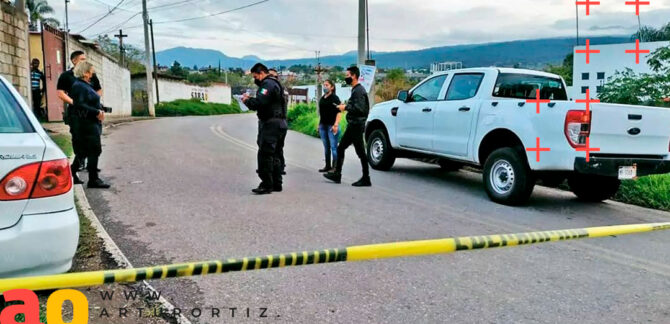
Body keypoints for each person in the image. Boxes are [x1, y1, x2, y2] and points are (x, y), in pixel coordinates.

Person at [242, 63, 288, 194]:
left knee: (265, 154)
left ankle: (266, 184)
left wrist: (246, 100)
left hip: (271, 124)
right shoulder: (277, 83)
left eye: (255, 76)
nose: (255, 79)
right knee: (276, 154)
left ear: (261, 73)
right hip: (281, 123)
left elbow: (259, 103)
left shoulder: (267, 84)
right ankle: (277, 183)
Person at [57, 51, 103, 177]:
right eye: (82, 59)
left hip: (91, 114)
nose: (85, 61)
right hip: (78, 115)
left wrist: (94, 104)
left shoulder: (91, 76)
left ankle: (90, 167)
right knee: (81, 144)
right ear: (74, 60)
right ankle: (79, 168)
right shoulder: (67, 77)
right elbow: (61, 93)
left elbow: (98, 91)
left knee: (92, 144)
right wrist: (76, 103)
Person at [324, 66, 371, 187]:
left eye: (347, 75)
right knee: (341, 148)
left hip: (356, 125)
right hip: (353, 124)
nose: (346, 78)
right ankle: (337, 174)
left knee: (360, 152)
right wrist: (345, 106)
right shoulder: (355, 90)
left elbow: (360, 109)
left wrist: (345, 107)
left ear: (354, 76)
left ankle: (366, 178)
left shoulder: (359, 91)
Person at [69, 61, 110, 189]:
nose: (92, 73)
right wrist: (97, 111)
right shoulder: (79, 86)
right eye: (91, 71)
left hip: (89, 122)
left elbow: (89, 102)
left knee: (83, 152)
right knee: (93, 150)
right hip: (85, 124)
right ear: (85, 72)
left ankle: (70, 173)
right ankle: (93, 180)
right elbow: (79, 105)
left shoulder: (85, 85)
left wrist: (101, 109)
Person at [317, 80, 342, 173]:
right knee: (326, 147)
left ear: (332, 87)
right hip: (323, 125)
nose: (325, 87)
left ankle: (335, 167)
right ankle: (327, 165)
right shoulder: (322, 98)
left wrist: (336, 124)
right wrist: (319, 124)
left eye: (327, 85)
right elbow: (322, 113)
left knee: (333, 147)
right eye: (324, 85)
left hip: (332, 126)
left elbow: (339, 112)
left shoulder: (335, 98)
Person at [268, 68, 288, 175]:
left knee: (277, 147)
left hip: (279, 121)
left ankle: (279, 167)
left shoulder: (279, 90)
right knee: (277, 147)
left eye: (274, 76)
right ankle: (278, 167)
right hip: (278, 122)